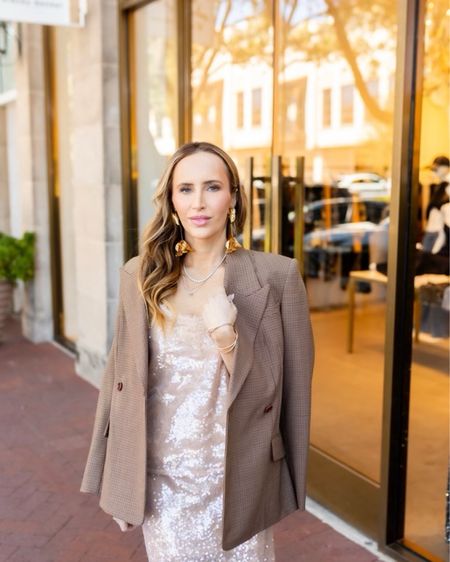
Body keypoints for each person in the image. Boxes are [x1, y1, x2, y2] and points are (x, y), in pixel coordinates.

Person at [80, 141, 315, 561]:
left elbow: (288, 394)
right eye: (185, 189)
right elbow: (119, 385)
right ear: (171, 199)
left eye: (212, 187)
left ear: (234, 197)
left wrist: (228, 339)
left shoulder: (277, 276)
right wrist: (116, 481)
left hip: (235, 475)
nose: (199, 202)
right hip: (161, 477)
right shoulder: (142, 276)